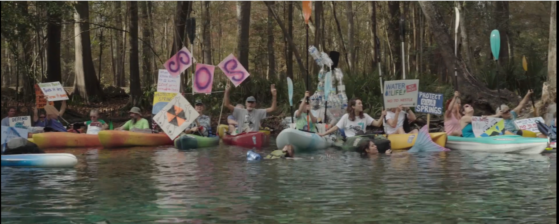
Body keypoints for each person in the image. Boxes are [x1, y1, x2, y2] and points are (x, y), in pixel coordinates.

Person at [319, 98, 385, 138]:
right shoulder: (346, 117)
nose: (361, 105)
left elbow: (378, 124)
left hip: (362, 138)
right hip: (351, 140)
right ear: (353, 106)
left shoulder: (365, 116)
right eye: (359, 104)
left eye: (361, 103)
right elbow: (336, 127)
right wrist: (324, 134)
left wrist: (382, 115)